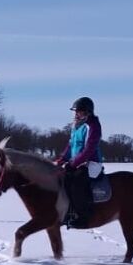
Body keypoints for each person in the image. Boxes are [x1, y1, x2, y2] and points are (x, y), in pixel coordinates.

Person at [55, 97, 103, 228]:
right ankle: (66, 212)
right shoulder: (76, 126)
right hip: (77, 162)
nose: (76, 114)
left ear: (88, 112)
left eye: (79, 111)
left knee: (76, 182)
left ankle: (83, 216)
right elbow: (71, 146)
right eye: (75, 111)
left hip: (91, 163)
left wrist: (72, 164)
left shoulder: (92, 126)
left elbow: (89, 150)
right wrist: (62, 159)